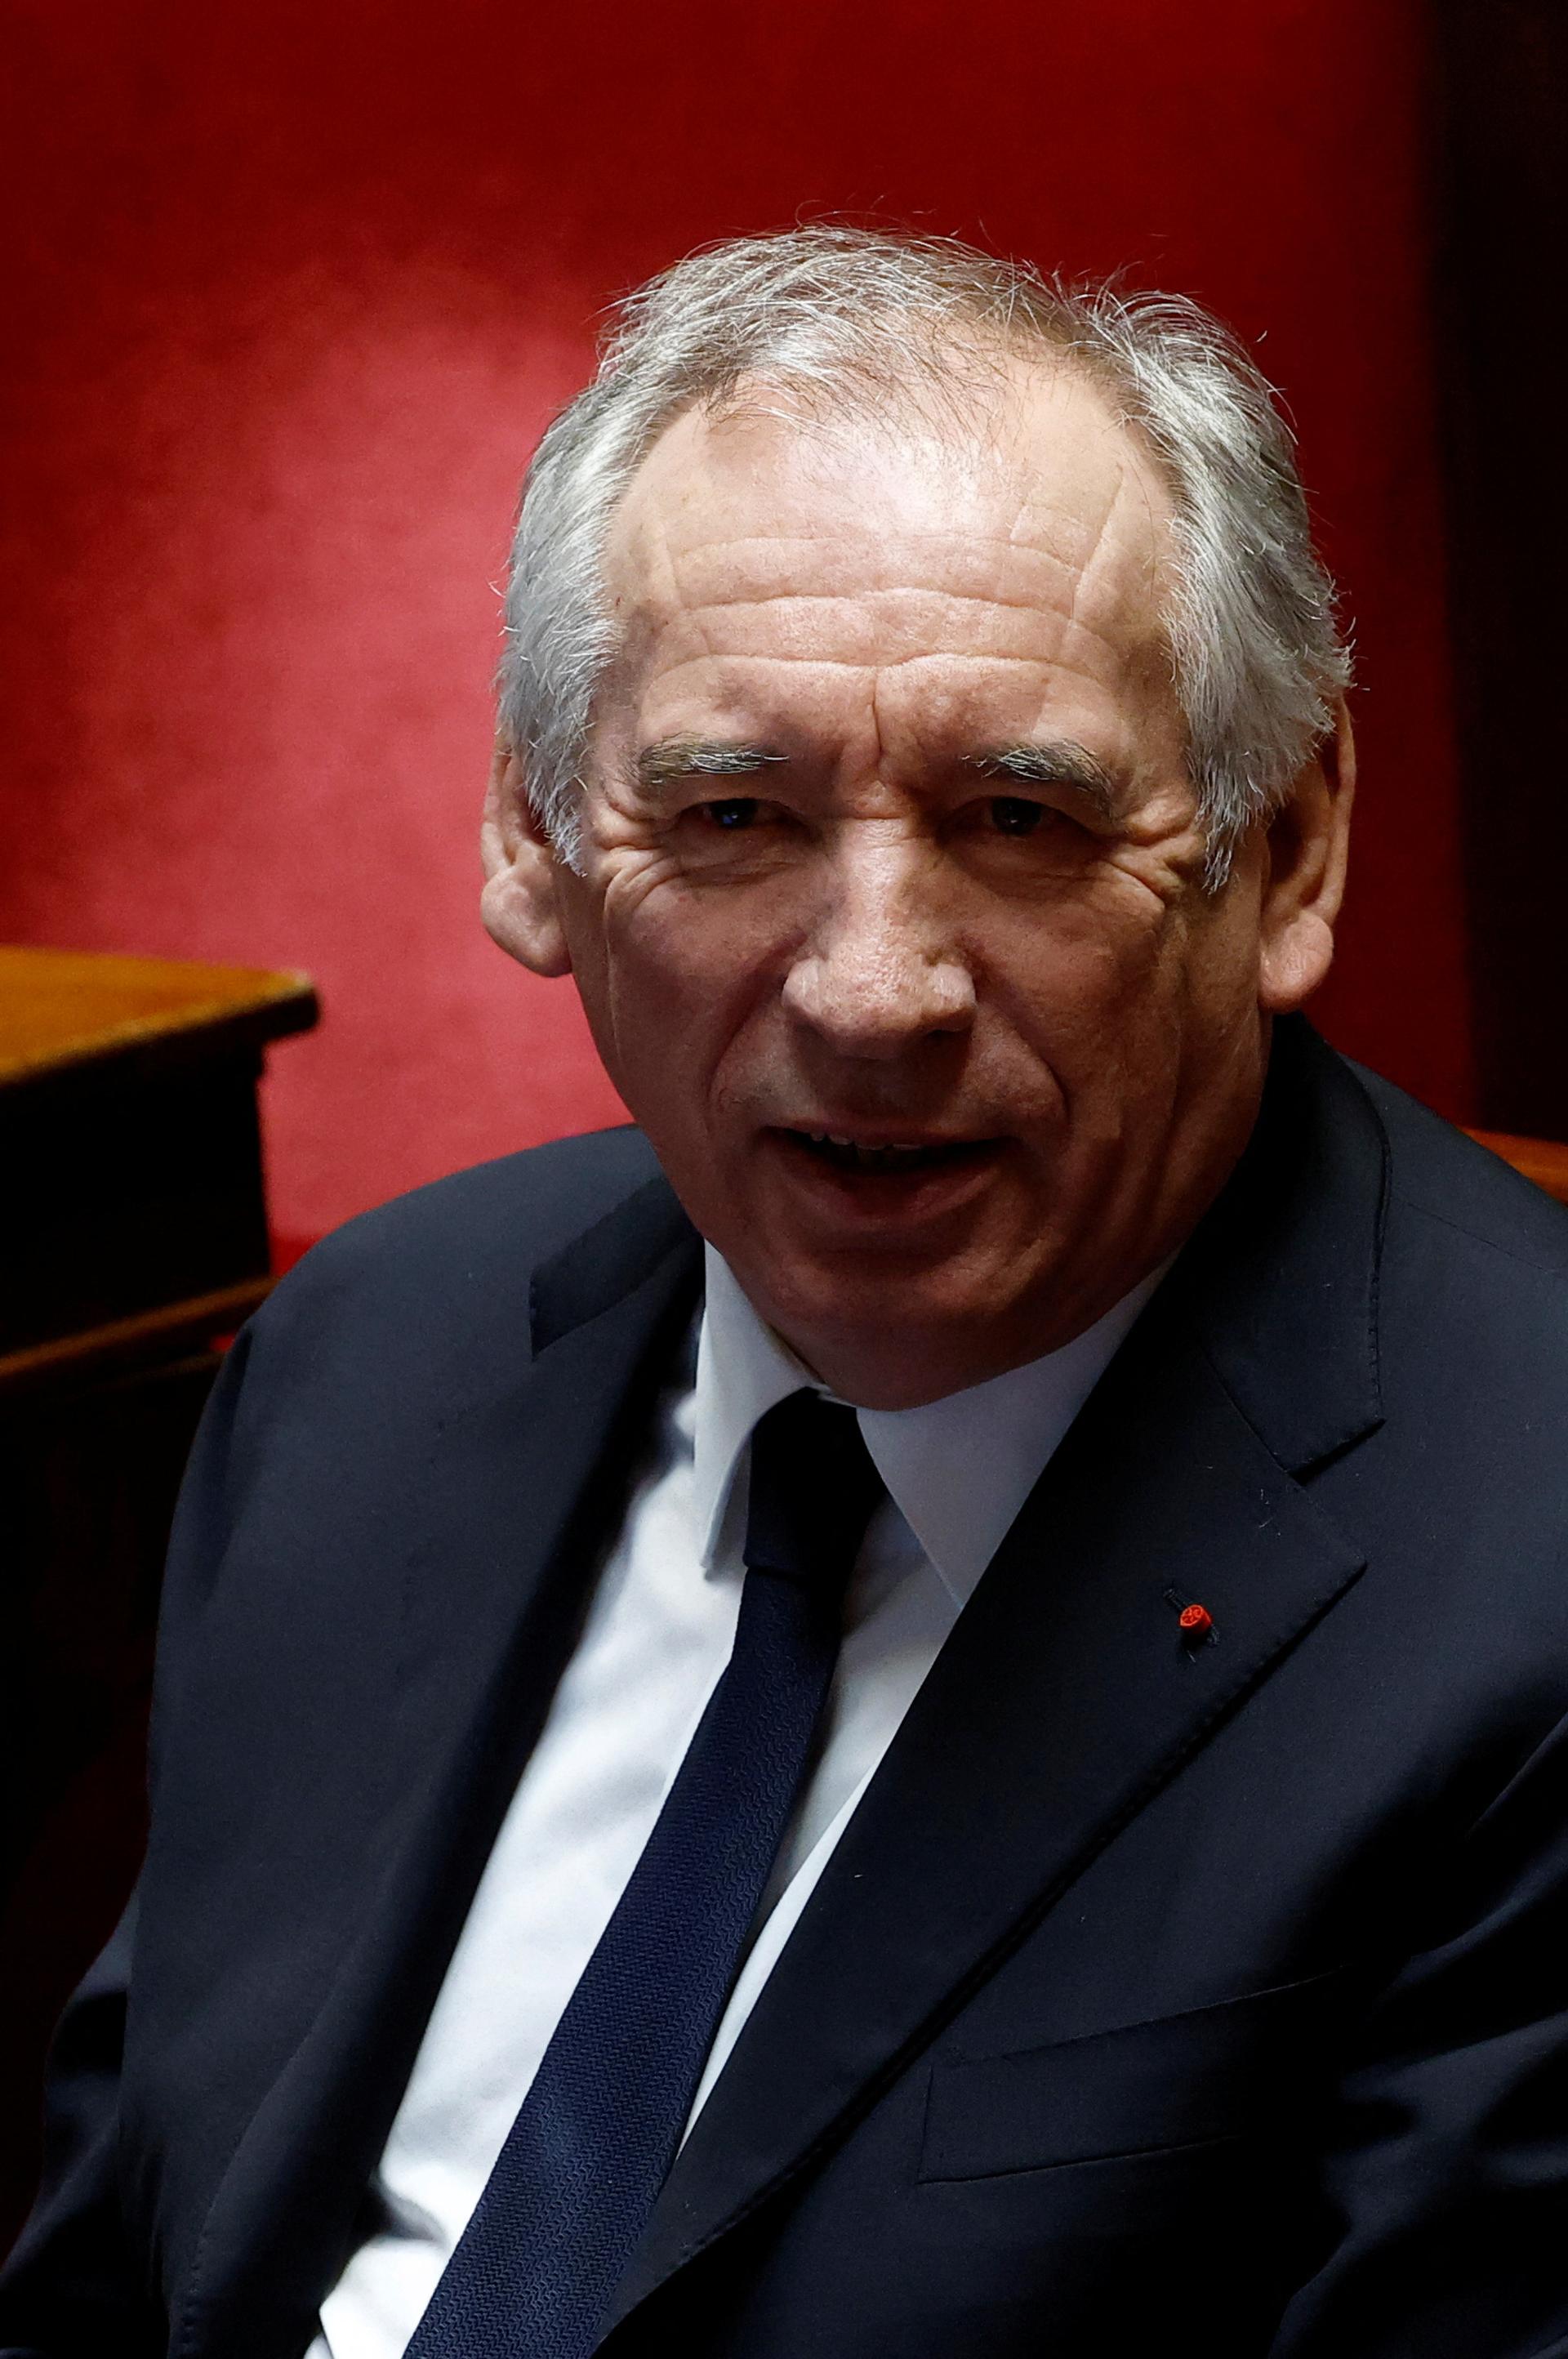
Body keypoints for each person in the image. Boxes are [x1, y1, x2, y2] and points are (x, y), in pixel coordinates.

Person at [4, 226, 1567, 2359]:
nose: (871, 992)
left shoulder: (1528, 1575)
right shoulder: (368, 1362)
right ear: (534, 839)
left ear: (1286, 853)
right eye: (733, 815)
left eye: (1022, 818)